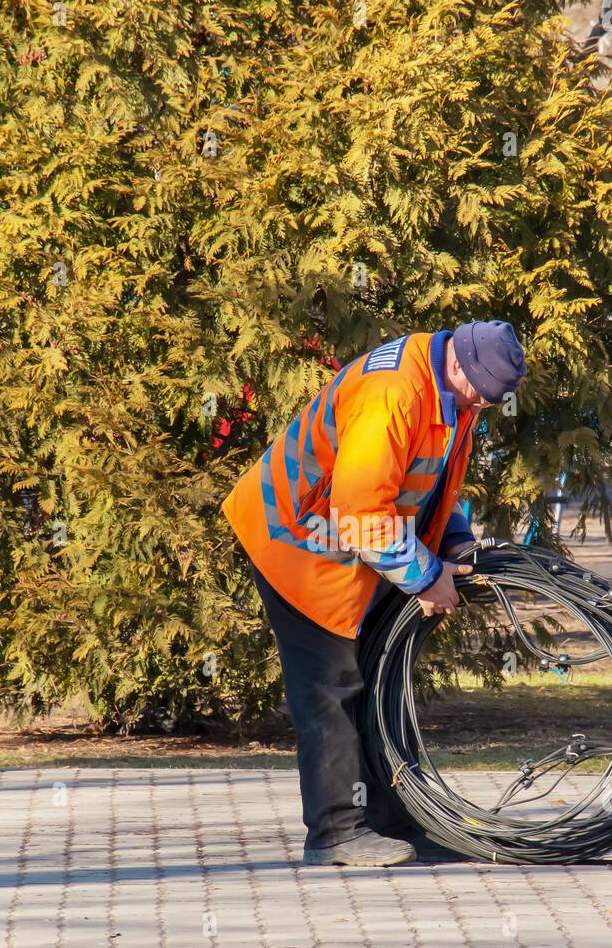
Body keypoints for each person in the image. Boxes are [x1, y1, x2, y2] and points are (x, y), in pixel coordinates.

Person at [222, 321, 527, 865]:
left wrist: (454, 543)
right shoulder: (394, 394)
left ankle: (395, 824)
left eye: (492, 397)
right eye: (480, 390)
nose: (483, 404)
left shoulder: (455, 394)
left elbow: (430, 480)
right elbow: (360, 512)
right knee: (333, 686)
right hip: (294, 539)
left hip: (348, 542)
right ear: (458, 364)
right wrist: (422, 576)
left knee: (383, 679)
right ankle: (337, 833)